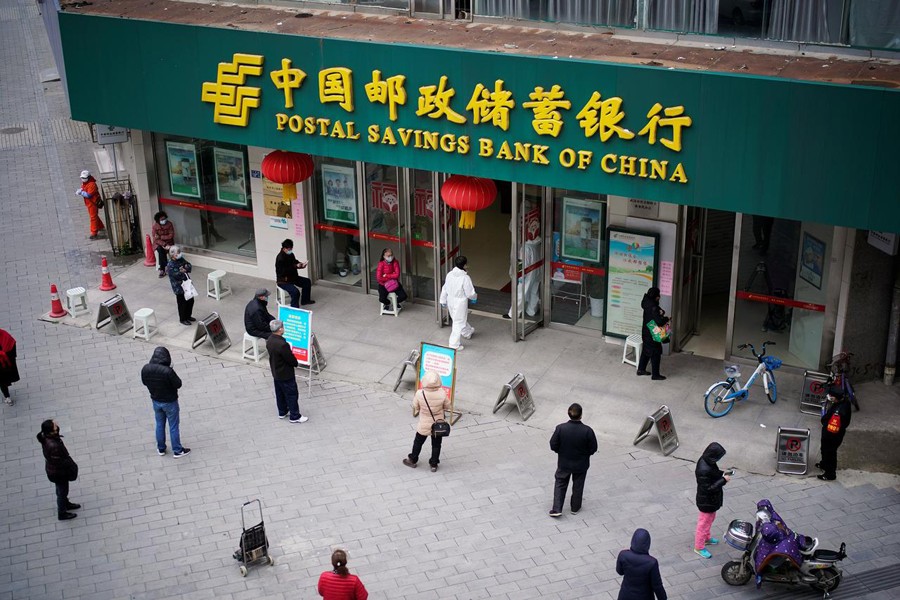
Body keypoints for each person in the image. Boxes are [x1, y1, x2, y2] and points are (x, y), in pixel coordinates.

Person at [548, 403, 598, 517]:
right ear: (581, 415)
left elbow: (553, 444)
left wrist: (560, 452)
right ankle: (575, 507)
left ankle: (557, 508)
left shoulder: (560, 428)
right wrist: (585, 454)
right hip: (581, 464)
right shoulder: (587, 431)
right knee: (578, 485)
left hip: (564, 462)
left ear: (568, 413)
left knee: (560, 483)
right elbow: (593, 448)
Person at [140, 346, 191, 458]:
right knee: (173, 426)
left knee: (159, 424)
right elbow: (178, 384)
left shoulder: (146, 368)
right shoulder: (168, 371)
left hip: (156, 401)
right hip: (170, 402)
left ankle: (161, 448)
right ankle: (177, 450)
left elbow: (144, 382)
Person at [402, 370, 451, 472]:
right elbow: (447, 406)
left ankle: (412, 459)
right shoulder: (442, 393)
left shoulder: (420, 393)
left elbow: (415, 406)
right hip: (438, 424)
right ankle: (434, 464)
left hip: (424, 422)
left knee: (418, 442)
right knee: (436, 444)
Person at [36, 419, 81, 520]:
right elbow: (60, 461)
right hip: (59, 473)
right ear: (52, 431)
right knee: (62, 491)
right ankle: (62, 512)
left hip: (55, 471)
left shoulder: (47, 437)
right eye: (55, 426)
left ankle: (65, 503)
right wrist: (72, 466)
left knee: (61, 489)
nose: (57, 426)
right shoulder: (53, 445)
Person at [265, 320, 309, 424]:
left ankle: (282, 411)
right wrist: (295, 363)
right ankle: (295, 416)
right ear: (280, 329)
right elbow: (290, 359)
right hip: (286, 373)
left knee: (279, 393)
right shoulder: (282, 344)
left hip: (276, 372)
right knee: (291, 394)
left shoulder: (269, 340)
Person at [694, 442, 730, 558]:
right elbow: (708, 488)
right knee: (704, 523)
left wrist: (721, 474)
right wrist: (723, 480)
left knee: (710, 519)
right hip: (706, 501)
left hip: (710, 501)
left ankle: (706, 538)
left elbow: (713, 474)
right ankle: (699, 547)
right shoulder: (704, 469)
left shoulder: (707, 461)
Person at [616, 528, 668, 600]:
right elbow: (657, 586)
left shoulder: (623, 555)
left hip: (625, 595)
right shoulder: (652, 562)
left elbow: (620, 572)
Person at [439, 255, 477, 350]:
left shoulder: (449, 274)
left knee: (457, 319)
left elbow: (445, 288)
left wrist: (443, 299)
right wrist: (474, 297)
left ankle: (467, 332)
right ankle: (454, 344)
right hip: (460, 302)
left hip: (450, 300)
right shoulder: (465, 278)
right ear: (464, 265)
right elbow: (470, 292)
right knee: (458, 321)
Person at [817, 387, 852, 481]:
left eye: (831, 395)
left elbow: (826, 420)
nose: (829, 397)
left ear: (835, 397)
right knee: (825, 449)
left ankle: (830, 474)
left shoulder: (838, 411)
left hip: (832, 435)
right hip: (837, 433)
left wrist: (824, 420)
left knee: (830, 453)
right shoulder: (845, 402)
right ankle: (824, 464)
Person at [637, 286, 669, 381]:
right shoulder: (654, 307)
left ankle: (641, 369)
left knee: (646, 350)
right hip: (653, 331)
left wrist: (661, 311)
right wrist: (666, 319)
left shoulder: (647, 302)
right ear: (656, 296)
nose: (659, 297)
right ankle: (655, 375)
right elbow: (659, 322)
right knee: (656, 352)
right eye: (658, 295)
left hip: (646, 330)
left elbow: (654, 311)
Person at [275, 238, 314, 308]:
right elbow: (284, 271)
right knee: (295, 292)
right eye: (289, 249)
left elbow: (295, 262)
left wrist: (301, 264)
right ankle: (294, 308)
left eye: (291, 249)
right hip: (284, 280)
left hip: (293, 277)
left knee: (307, 282)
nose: (290, 250)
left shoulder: (291, 254)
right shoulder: (280, 258)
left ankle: (305, 300)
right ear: (284, 249)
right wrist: (295, 266)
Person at [165, 245, 195, 326]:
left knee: (190, 301)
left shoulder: (181, 259)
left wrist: (185, 269)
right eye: (177, 253)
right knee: (182, 303)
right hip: (179, 287)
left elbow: (188, 265)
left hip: (187, 284)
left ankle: (188, 316)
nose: (179, 254)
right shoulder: (170, 265)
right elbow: (177, 275)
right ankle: (183, 319)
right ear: (173, 255)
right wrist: (182, 271)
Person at [75, 169, 105, 240]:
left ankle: (94, 233)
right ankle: (100, 227)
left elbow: (89, 195)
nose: (83, 179)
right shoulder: (86, 183)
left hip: (93, 203)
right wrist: (81, 190)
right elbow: (84, 189)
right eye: (82, 178)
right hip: (89, 203)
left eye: (84, 178)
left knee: (93, 217)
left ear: (88, 177)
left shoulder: (92, 184)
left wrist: (81, 192)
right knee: (94, 216)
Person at [151, 211, 176, 278]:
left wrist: (161, 237)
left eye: (164, 219)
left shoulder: (169, 224)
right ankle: (165, 267)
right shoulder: (155, 227)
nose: (164, 220)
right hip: (159, 244)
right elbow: (156, 239)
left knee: (165, 251)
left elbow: (171, 235)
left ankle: (163, 268)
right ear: (158, 220)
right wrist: (164, 244)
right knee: (160, 249)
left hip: (169, 243)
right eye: (162, 220)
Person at [0, 327, 19, 405]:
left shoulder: (4, 336)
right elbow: (12, 344)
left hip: (4, 363)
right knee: (2, 381)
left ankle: (7, 397)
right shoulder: (4, 335)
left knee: (2, 381)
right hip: (5, 363)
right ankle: (7, 397)